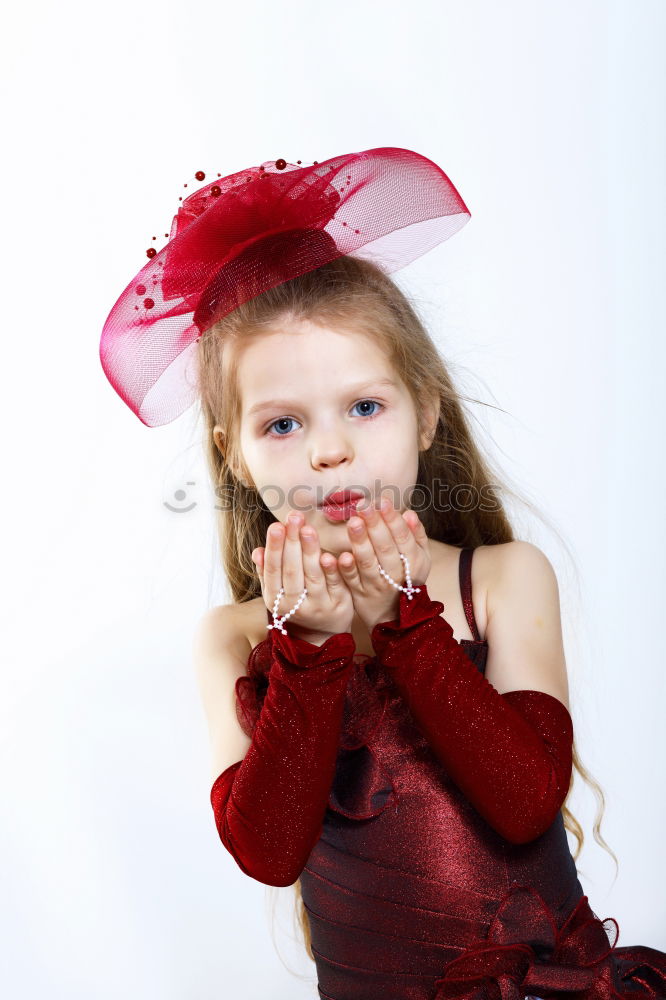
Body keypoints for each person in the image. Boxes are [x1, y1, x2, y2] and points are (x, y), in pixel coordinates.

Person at [100, 150, 666, 999]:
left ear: (425, 410)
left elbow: (525, 803)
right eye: (283, 423)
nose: (330, 449)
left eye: (365, 407)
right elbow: (269, 852)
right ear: (237, 453)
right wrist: (310, 648)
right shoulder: (234, 637)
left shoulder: (502, 580)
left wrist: (412, 622)